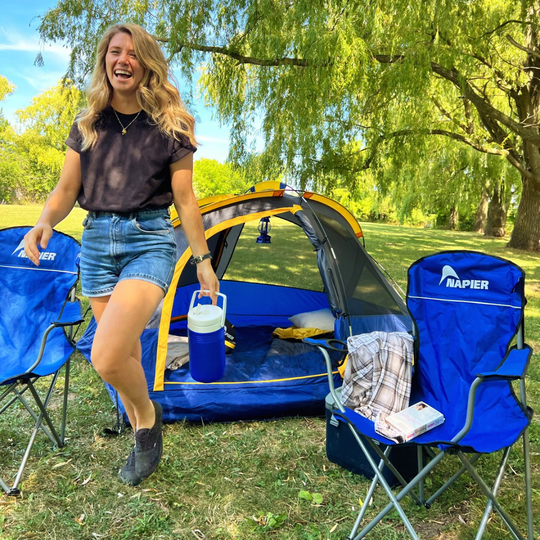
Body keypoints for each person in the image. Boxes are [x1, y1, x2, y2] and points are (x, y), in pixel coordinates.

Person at [23, 23, 219, 486]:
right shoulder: (87, 124)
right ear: (104, 60)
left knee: (106, 355)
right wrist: (45, 220)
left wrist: (203, 261)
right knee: (126, 351)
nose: (123, 60)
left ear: (146, 63)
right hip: (95, 243)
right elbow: (67, 187)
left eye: (133, 53)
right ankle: (140, 438)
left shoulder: (174, 125)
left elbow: (186, 199)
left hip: (149, 239)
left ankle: (149, 420)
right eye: (115, 52)